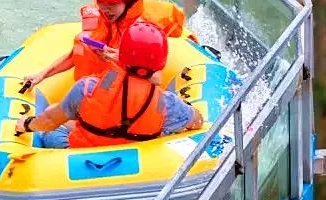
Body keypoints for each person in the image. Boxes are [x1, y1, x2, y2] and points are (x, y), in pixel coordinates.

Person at [15, 22, 204, 149]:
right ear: (161, 63)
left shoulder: (88, 88)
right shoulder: (166, 103)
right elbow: (197, 121)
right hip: (141, 161)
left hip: (84, 154)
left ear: (123, 55)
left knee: (54, 124)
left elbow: (48, 121)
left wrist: (26, 124)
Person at [23, 0, 191, 90]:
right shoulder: (105, 13)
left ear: (127, 0)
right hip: (108, 78)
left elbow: (156, 78)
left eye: (112, 4)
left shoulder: (142, 30)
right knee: (83, 42)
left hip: (135, 88)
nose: (106, 9)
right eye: (101, 3)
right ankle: (86, 100)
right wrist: (42, 75)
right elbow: (77, 52)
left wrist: (124, 59)